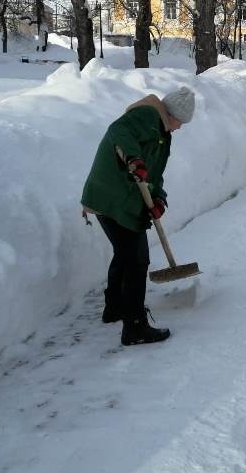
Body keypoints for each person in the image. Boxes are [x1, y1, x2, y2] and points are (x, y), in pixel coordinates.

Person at [81, 87, 195, 346]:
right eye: (181, 122)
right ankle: (134, 327)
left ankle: (115, 308)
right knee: (136, 258)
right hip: (112, 198)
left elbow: (153, 175)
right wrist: (133, 157)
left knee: (126, 254)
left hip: (120, 200)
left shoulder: (162, 133)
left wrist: (158, 198)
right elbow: (118, 132)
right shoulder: (146, 116)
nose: (179, 128)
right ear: (173, 115)